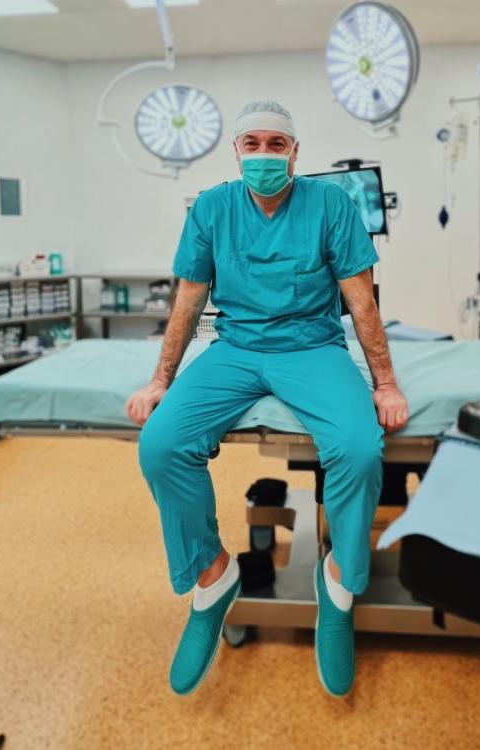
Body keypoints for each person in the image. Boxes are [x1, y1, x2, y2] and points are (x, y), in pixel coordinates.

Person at [125, 100, 408, 697]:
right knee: (161, 444)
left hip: (312, 349)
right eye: (250, 144)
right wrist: (160, 380)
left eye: (275, 145)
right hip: (235, 349)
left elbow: (360, 302)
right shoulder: (212, 208)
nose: (263, 155)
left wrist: (385, 383)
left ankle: (338, 585)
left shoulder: (331, 205)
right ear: (235, 151)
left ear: (295, 152)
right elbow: (188, 301)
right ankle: (212, 578)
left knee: (359, 449)